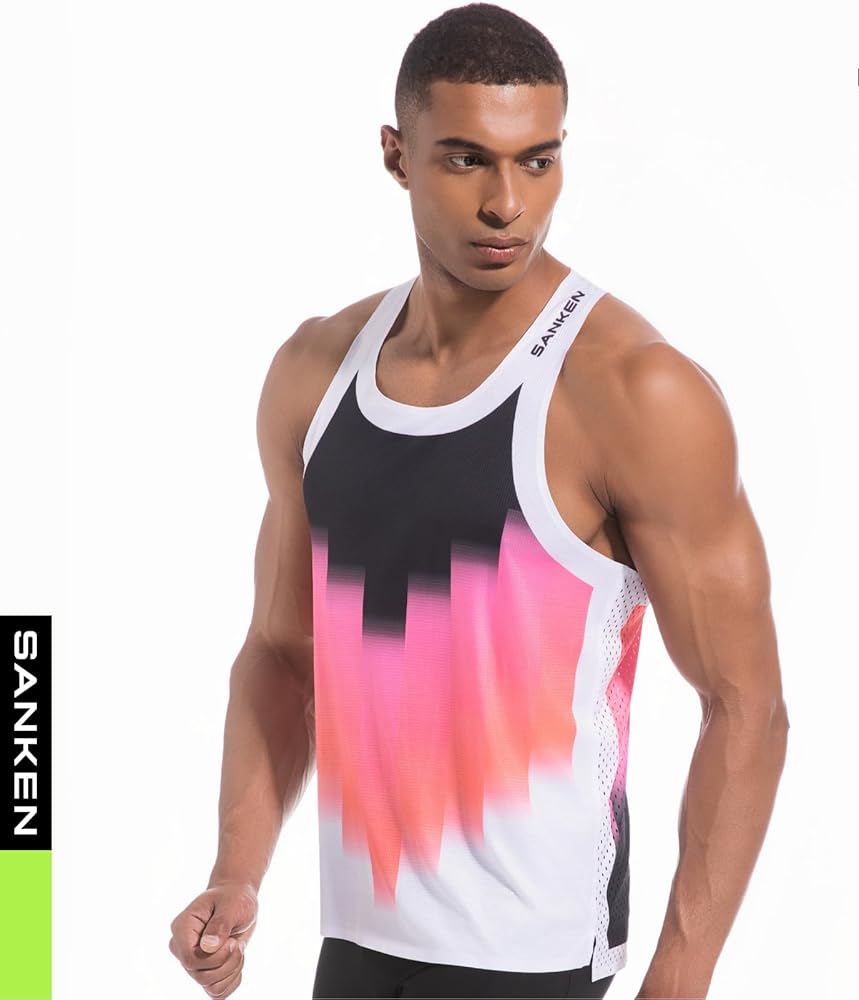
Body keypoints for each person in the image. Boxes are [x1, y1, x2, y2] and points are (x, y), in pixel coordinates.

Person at [167, 4, 790, 998]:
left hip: (532, 960)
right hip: (358, 942)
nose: (508, 204)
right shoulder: (315, 373)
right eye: (466, 161)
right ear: (396, 156)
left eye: (537, 161)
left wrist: (678, 979)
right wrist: (236, 872)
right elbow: (284, 652)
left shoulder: (633, 390)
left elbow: (745, 705)